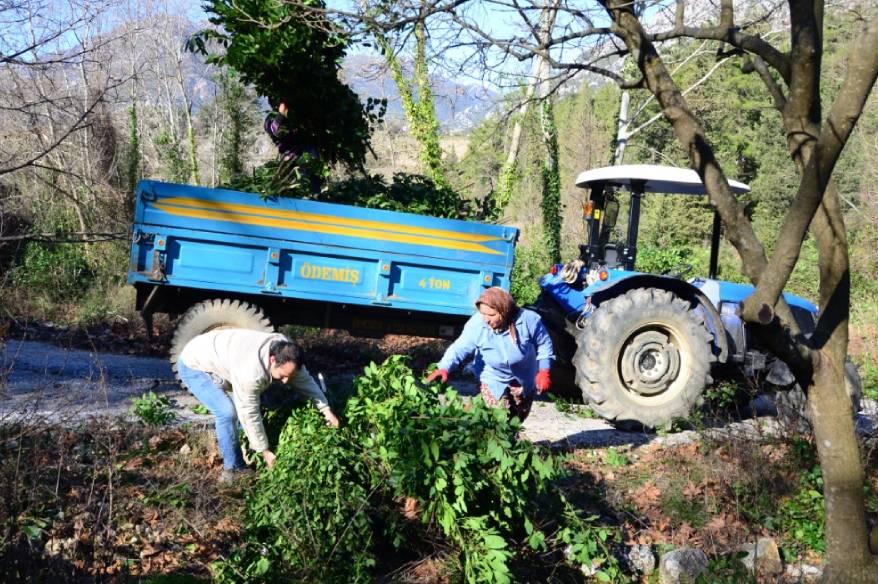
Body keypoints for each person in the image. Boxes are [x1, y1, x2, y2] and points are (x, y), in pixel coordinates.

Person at [177, 328, 339, 482]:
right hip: (194, 364)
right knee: (227, 412)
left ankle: (246, 447)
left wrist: (326, 411)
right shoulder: (251, 373)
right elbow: (249, 412)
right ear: (272, 360)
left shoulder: (288, 352)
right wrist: (265, 451)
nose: (285, 381)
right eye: (282, 376)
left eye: (289, 376)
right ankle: (233, 469)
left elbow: (305, 382)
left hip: (223, 354)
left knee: (254, 404)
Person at [424, 287, 554, 422]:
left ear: (504, 311)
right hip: (492, 377)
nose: (486, 319)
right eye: (483, 314)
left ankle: (513, 439)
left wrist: (544, 370)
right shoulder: (477, 324)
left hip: (524, 375)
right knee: (500, 419)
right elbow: (459, 348)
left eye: (491, 315)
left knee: (518, 418)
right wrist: (444, 367)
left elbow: (544, 344)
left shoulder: (529, 320)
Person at [263, 98, 322, 193]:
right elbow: (274, 129)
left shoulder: (293, 116)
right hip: (291, 155)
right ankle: (311, 191)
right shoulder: (271, 121)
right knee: (303, 175)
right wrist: (281, 114)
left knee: (315, 167)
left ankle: (316, 190)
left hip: (303, 148)